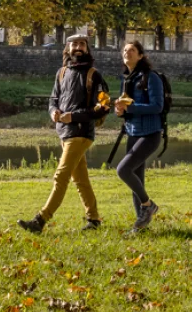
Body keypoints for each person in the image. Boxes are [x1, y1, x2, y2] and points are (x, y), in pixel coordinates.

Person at [18, 35, 110, 233]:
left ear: (87, 49)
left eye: (82, 44)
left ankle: (40, 220)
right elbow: (53, 99)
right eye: (74, 44)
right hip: (64, 133)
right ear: (67, 48)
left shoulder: (94, 75)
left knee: (61, 177)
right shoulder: (61, 73)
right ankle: (94, 219)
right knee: (80, 179)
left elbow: (103, 108)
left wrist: (73, 117)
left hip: (81, 133)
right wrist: (53, 112)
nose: (78, 47)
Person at [111, 41, 166, 233]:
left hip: (150, 134)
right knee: (137, 180)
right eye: (125, 50)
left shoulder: (151, 78)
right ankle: (140, 227)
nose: (127, 53)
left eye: (132, 50)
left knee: (123, 170)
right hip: (133, 132)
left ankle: (148, 205)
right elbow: (127, 107)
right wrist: (120, 112)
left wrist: (130, 107)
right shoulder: (126, 79)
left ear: (141, 55)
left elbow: (157, 106)